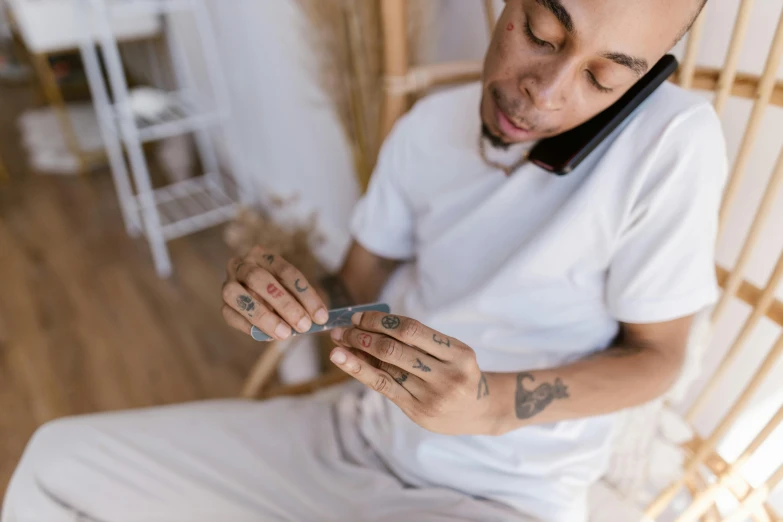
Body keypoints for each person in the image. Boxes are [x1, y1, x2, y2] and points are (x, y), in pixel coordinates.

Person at [3, 0, 725, 520]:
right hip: (352, 436)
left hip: (499, 496)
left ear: (646, 80)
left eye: (604, 80)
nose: (547, 91)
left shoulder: (672, 144)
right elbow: (350, 286)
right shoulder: (427, 129)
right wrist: (277, 296)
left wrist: (493, 403)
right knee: (59, 465)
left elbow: (656, 358)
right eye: (541, 33)